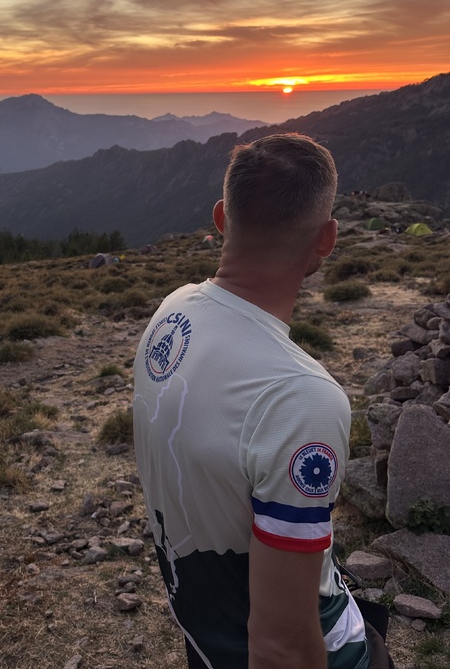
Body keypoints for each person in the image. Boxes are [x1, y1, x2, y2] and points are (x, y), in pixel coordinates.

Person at [133, 133, 392, 669]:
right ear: (326, 239)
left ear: (222, 218)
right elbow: (282, 648)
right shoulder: (301, 399)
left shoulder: (173, 312)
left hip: (204, 634)